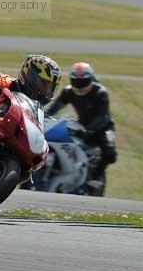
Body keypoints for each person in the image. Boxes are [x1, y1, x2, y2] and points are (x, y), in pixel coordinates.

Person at [46, 61, 116, 193]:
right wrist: (43, 115)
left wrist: (88, 130)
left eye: (83, 81)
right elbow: (54, 107)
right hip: (82, 124)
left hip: (103, 128)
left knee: (110, 153)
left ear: (91, 79)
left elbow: (103, 117)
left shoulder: (100, 92)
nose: (79, 85)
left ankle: (95, 179)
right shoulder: (68, 92)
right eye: (75, 81)